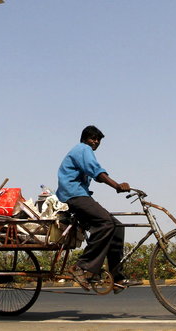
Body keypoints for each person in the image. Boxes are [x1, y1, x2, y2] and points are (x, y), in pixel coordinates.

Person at [56, 125, 137, 293]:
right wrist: (116, 185)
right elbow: (96, 171)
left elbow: (96, 175)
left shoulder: (83, 151)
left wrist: (112, 183)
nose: (96, 142)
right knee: (106, 223)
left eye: (98, 140)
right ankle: (81, 267)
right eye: (93, 138)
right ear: (85, 139)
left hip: (81, 195)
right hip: (74, 196)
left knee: (117, 227)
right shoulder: (82, 149)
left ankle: (117, 277)